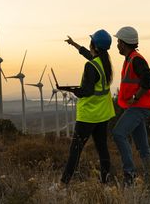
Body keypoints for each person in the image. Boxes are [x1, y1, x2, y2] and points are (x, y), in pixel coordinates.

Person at [58, 29, 116, 185]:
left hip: (88, 115)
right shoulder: (104, 63)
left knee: (75, 151)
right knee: (102, 149)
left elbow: (87, 91)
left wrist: (73, 90)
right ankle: (105, 182)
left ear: (95, 46)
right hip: (103, 114)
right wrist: (74, 44)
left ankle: (63, 184)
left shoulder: (91, 66)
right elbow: (86, 53)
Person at [112, 26, 150, 186]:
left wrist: (136, 97)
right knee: (143, 146)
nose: (117, 44)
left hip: (140, 107)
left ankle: (129, 174)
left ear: (123, 43)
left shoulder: (136, 59)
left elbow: (149, 80)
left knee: (118, 133)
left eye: (118, 41)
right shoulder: (131, 59)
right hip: (137, 107)